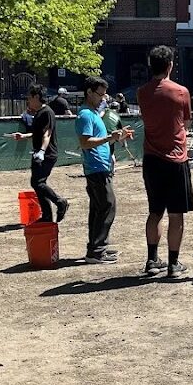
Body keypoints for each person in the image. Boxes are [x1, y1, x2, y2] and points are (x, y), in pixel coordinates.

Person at [136, 45, 193, 277]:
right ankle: (173, 263)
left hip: (152, 159)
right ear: (170, 65)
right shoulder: (181, 92)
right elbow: (186, 123)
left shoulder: (142, 92)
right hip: (175, 159)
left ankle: (152, 260)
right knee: (176, 214)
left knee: (155, 212)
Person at [76, 76, 133, 264]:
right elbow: (85, 143)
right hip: (96, 167)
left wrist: (118, 136)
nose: (103, 98)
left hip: (101, 166)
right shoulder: (85, 115)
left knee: (99, 207)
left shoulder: (92, 113)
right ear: (89, 92)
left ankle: (96, 248)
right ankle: (97, 250)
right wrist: (110, 137)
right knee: (108, 205)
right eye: (100, 94)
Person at [10, 84, 69, 222]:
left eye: (29, 98)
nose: (28, 101)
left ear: (37, 97)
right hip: (39, 152)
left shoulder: (47, 112)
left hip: (47, 154)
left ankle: (60, 202)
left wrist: (42, 151)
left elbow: (47, 134)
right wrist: (23, 136)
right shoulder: (39, 113)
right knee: (37, 183)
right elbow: (38, 133)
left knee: (38, 183)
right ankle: (47, 215)